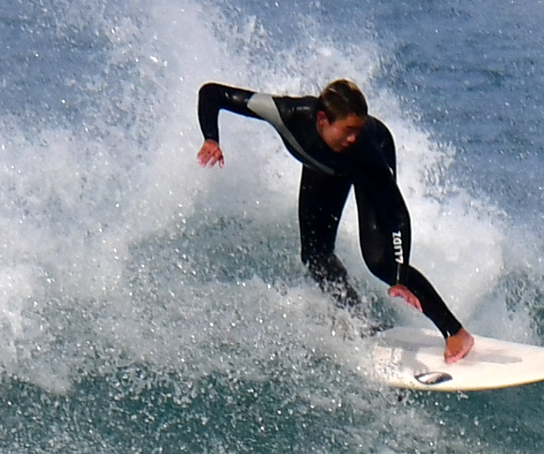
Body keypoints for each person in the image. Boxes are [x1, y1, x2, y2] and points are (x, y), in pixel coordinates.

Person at [196, 79, 475, 363]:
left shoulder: (365, 148)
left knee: (381, 263)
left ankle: (455, 332)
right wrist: (211, 138)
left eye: (358, 128)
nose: (354, 136)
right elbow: (212, 93)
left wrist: (401, 272)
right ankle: (358, 321)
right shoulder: (287, 113)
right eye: (349, 129)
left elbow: (397, 213)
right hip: (324, 166)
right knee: (315, 255)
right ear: (322, 120)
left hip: (365, 164)